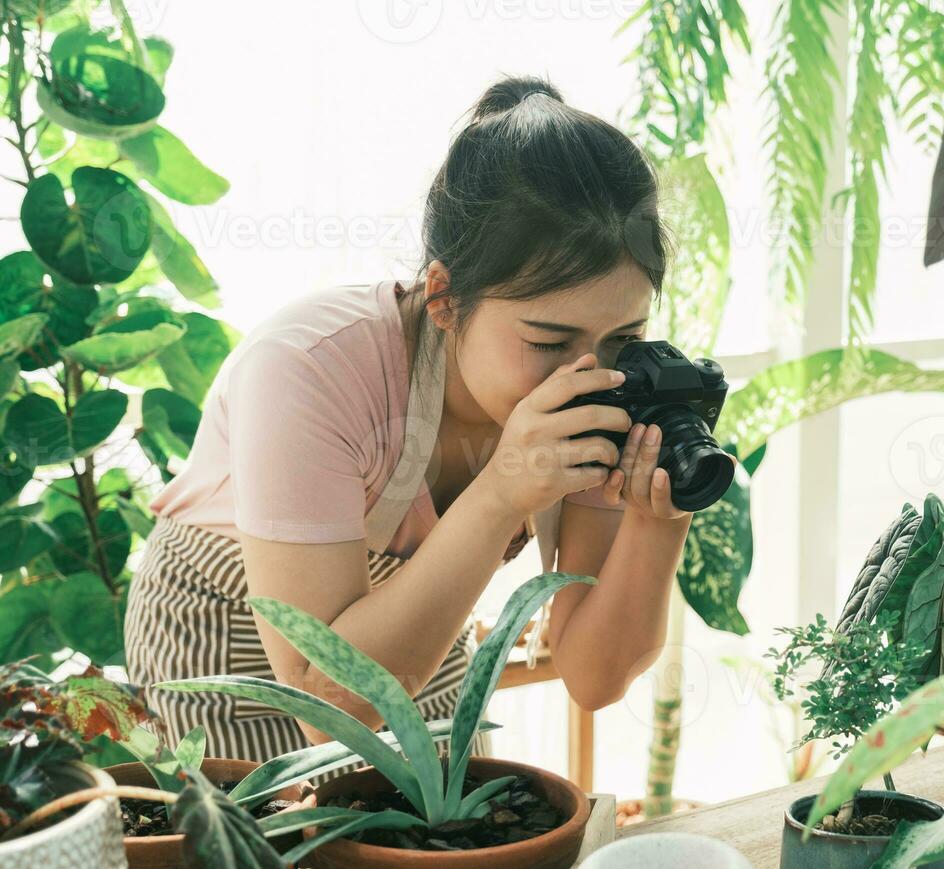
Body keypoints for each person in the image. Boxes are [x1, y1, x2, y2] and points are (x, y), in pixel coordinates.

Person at [124, 75, 697, 763]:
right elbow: (330, 700)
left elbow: (594, 676)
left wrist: (658, 519)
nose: (590, 374)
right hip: (225, 636)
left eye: (623, 339)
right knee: (268, 865)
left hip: (412, 633)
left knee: (459, 846)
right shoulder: (306, 369)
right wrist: (503, 492)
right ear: (444, 298)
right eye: (548, 342)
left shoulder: (604, 387)